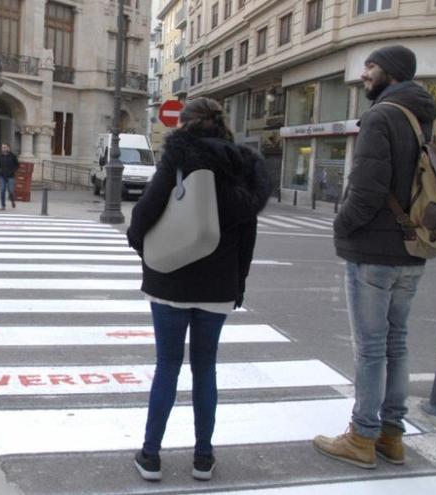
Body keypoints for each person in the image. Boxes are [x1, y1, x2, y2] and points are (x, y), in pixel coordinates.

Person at [126, 98, 271, 482]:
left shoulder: (181, 156)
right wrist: (237, 283)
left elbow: (147, 210)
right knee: (206, 369)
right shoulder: (244, 166)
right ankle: (203, 458)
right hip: (219, 285)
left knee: (167, 367)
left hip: (171, 279)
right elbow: (247, 237)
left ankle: (151, 456)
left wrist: (143, 247)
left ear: (185, 124)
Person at [313, 45, 436, 469]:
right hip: (410, 247)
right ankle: (391, 435)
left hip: (374, 251)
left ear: (392, 71)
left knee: (369, 348)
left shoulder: (382, 116)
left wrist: (341, 225)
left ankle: (362, 437)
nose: (365, 74)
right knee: (396, 344)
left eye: (371, 66)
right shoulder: (424, 118)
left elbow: (366, 189)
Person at [0, 143, 19, 210]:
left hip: (10, 176)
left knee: (11, 191)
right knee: (2, 190)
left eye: (5, 147)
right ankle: (3, 205)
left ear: (8, 148)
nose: (4, 149)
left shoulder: (13, 156)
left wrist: (12, 171)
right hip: (2, 176)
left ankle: (12, 201)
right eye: (3, 147)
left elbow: (17, 165)